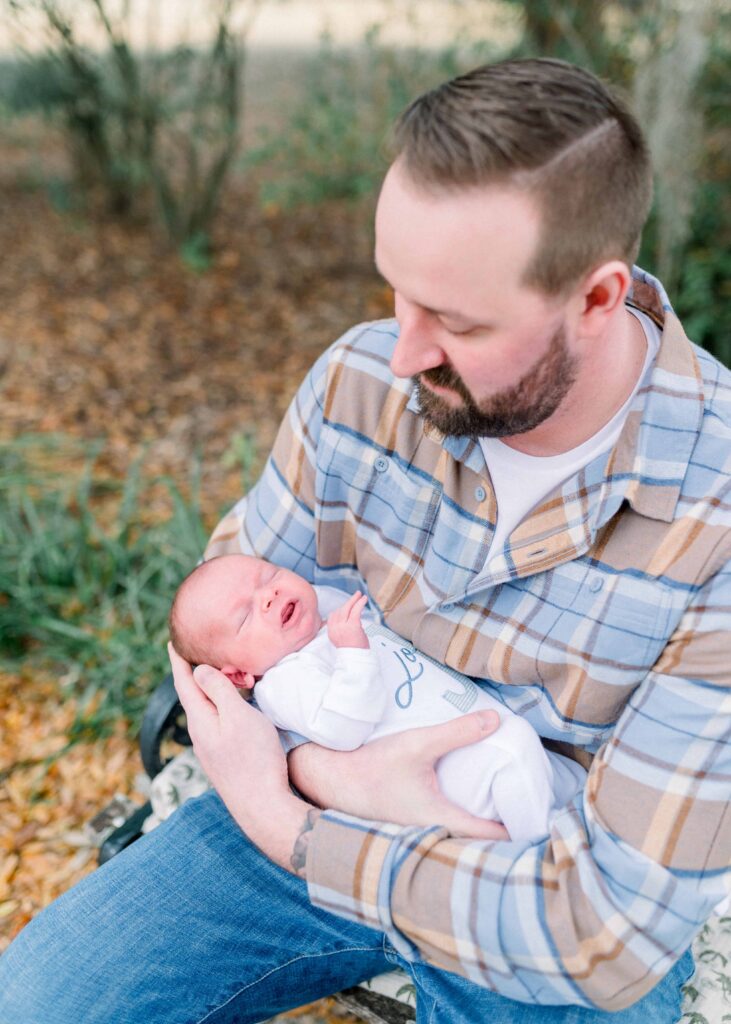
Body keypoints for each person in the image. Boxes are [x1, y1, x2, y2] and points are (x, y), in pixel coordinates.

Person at [1, 57, 728, 1024]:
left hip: (534, 903)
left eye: (456, 321)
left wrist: (289, 818)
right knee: (39, 1002)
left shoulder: (715, 512)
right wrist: (325, 780)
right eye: (395, 290)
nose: (401, 351)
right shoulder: (359, 383)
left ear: (595, 299)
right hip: (315, 806)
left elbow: (606, 932)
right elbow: (208, 653)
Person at [168, 553, 586, 840]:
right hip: (442, 771)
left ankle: (588, 842)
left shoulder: (318, 615)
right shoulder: (283, 682)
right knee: (514, 756)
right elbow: (342, 728)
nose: (269, 596)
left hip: (473, 725)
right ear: (240, 673)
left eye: (269, 576)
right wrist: (352, 653)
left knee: (567, 780)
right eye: (245, 616)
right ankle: (538, 870)